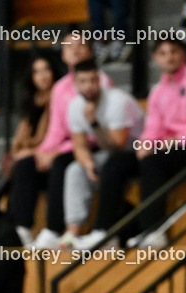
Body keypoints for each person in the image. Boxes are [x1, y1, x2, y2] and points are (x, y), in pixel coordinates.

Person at [94, 38, 186, 247]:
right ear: (155, 58)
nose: (169, 57)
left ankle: (153, 231)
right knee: (117, 161)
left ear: (183, 54)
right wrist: (145, 144)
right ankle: (105, 233)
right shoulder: (158, 91)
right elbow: (152, 129)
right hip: (164, 152)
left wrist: (174, 141)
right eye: (162, 53)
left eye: (173, 51)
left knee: (153, 162)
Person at [8, 33, 112, 245]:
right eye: (69, 47)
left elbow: (96, 132)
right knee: (26, 163)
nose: (75, 50)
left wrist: (57, 152)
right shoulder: (60, 87)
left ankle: (54, 230)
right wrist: (41, 153)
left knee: (60, 162)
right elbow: (56, 130)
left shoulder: (101, 82)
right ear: (63, 56)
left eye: (80, 45)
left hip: (92, 147)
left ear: (89, 50)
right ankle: (22, 229)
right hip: (66, 146)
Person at [61, 59, 144, 250]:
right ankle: (72, 233)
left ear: (99, 81)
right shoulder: (74, 106)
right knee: (75, 169)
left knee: (111, 164)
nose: (89, 86)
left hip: (137, 152)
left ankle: (104, 232)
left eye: (92, 80)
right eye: (83, 81)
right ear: (75, 84)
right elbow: (79, 145)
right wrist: (88, 163)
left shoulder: (117, 101)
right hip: (108, 155)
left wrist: (94, 123)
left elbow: (116, 146)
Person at [0, 56, 56, 199]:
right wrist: (18, 153)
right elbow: (19, 141)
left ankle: (19, 220)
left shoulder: (58, 98)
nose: (43, 76)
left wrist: (31, 152)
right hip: (29, 158)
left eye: (46, 69)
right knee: (15, 170)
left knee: (23, 167)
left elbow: (57, 137)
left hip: (50, 157)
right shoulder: (30, 104)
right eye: (37, 72)